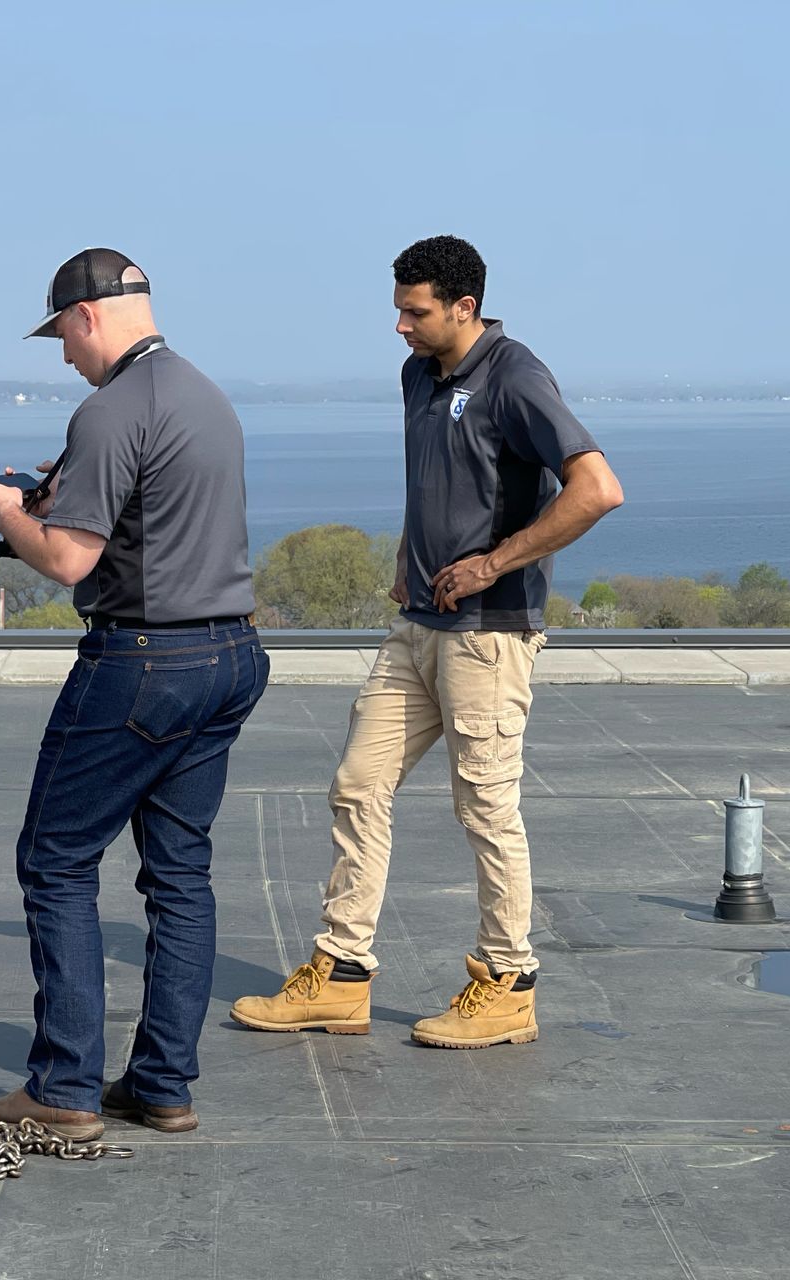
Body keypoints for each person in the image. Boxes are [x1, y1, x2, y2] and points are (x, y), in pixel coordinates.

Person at [231, 235, 623, 1049]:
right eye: (399, 311)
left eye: (415, 313)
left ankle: (509, 983)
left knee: (485, 808)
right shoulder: (419, 376)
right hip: (416, 630)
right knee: (356, 785)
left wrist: (493, 564)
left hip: (488, 637)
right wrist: (413, 561)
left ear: (463, 308)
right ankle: (341, 976)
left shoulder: (516, 376)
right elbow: (436, 480)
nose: (401, 328)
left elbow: (597, 490)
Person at [0, 247, 268, 1137]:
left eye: (61, 333)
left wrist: (6, 515)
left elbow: (68, 560)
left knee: (55, 860)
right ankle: (163, 1084)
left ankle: (63, 1091)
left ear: (88, 316)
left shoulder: (109, 411)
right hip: (231, 654)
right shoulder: (206, 397)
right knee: (180, 877)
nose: (63, 354)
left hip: (142, 662)